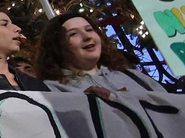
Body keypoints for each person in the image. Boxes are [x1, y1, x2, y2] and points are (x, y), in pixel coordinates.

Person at [35, 13, 163, 98]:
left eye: (89, 30)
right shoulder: (53, 90)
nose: (87, 36)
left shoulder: (133, 76)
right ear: (57, 47)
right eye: (73, 34)